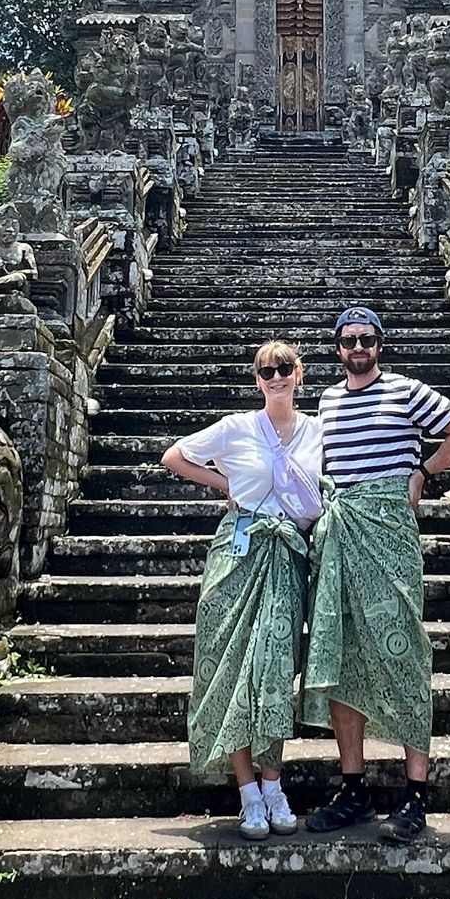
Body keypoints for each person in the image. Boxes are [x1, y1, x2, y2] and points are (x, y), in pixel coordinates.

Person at [301, 304, 450, 841]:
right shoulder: (327, 400)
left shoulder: (406, 391)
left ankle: (415, 793)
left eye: (367, 339)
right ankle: (353, 789)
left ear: (380, 345)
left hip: (389, 536)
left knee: (404, 653)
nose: (358, 348)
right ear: (338, 348)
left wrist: (423, 472)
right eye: (349, 340)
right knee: (342, 657)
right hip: (341, 536)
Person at [160, 340, 324, 838]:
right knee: (231, 667)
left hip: (287, 554)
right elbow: (174, 457)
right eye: (265, 371)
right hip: (237, 552)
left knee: (275, 669)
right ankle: (248, 791)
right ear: (257, 381)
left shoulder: (318, 431)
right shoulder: (236, 428)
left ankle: (274, 786)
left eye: (284, 368)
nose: (276, 377)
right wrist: (223, 485)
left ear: (299, 374)